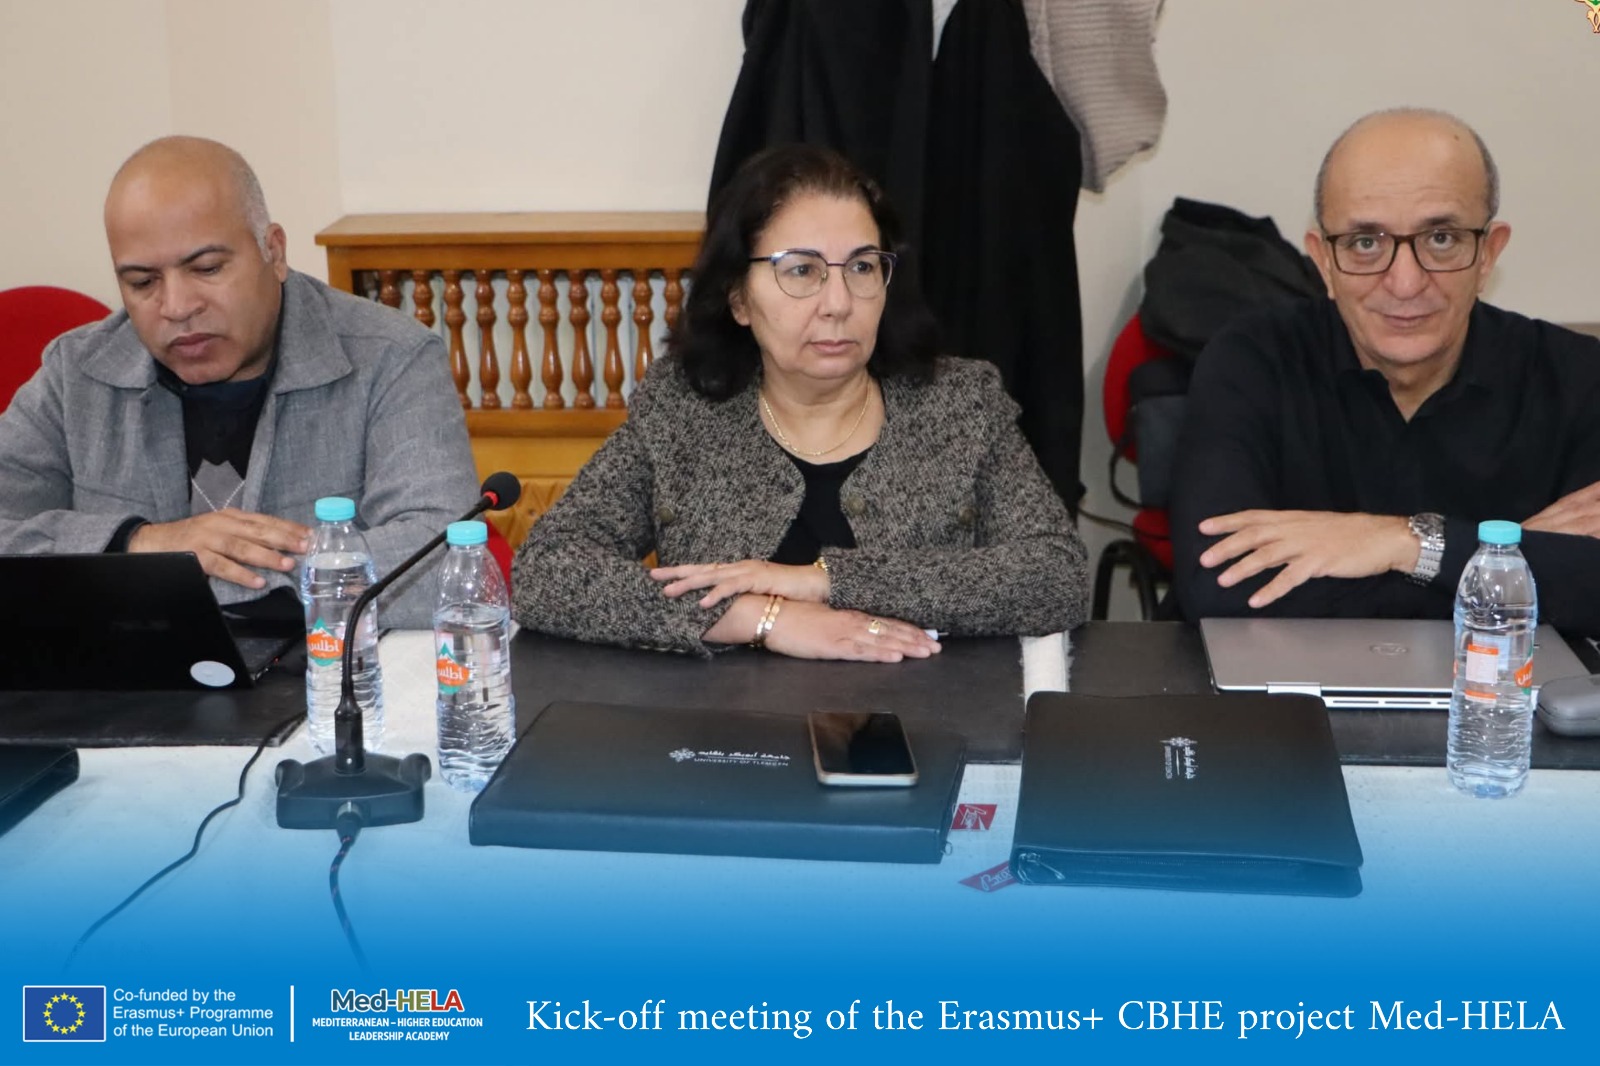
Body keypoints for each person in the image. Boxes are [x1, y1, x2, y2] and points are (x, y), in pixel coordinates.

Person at [512, 144, 1088, 659]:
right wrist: (761, 617)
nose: (838, 302)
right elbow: (546, 571)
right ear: (739, 298)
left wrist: (824, 581)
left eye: (861, 267)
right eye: (803, 270)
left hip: (924, 721)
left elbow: (1058, 577)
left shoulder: (960, 405)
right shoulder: (683, 409)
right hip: (722, 730)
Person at [0, 136, 478, 627]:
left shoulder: (390, 356)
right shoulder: (76, 373)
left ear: (274, 251)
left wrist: (185, 573)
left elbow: (443, 560)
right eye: (142, 282)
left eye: (207, 268)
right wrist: (139, 543)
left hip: (316, 666)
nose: (177, 307)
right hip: (125, 671)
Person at [1171, 109, 1600, 635]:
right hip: (1276, 690)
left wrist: (1408, 542)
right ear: (1323, 262)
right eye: (1366, 243)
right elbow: (1219, 592)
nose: (1405, 282)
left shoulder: (1578, 378)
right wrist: (1502, 560)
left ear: (1488, 254)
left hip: (1502, 690)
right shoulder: (1253, 360)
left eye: (1440, 238)